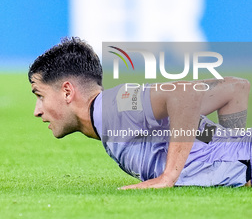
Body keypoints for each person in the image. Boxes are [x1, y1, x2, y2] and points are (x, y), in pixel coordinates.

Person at [28, 37, 251, 189]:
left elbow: (184, 94)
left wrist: (168, 177)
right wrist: (235, 149)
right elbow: (236, 87)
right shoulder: (107, 117)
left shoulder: (114, 107)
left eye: (40, 95)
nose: (37, 111)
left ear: (67, 91)